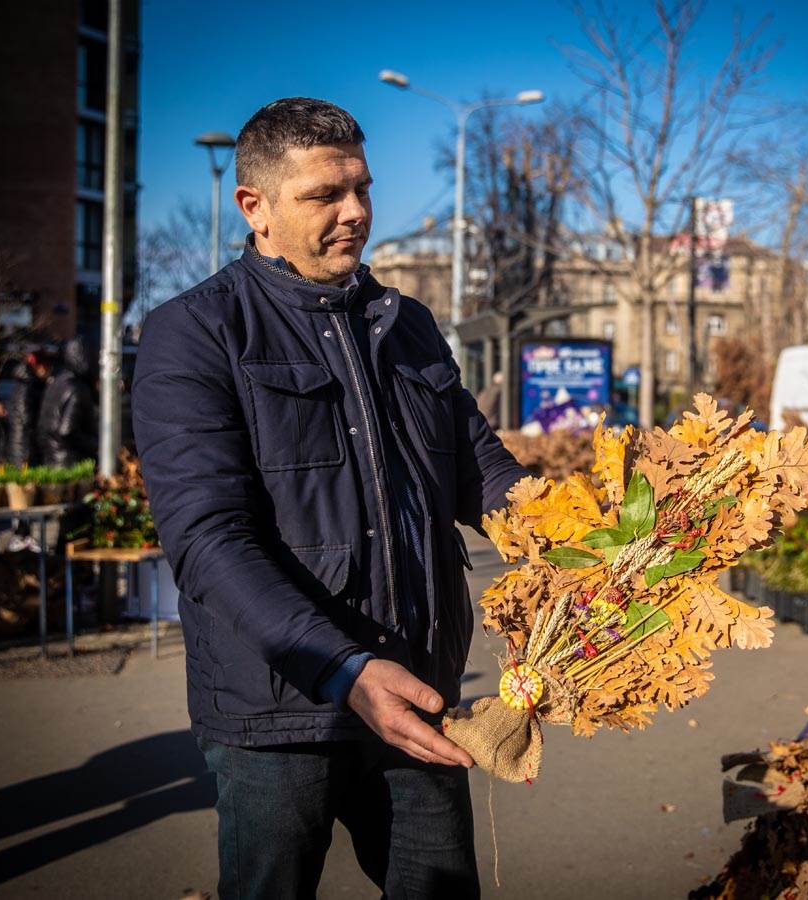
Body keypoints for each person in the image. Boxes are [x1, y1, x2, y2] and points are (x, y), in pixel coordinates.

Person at [132, 98, 528, 899]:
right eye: (324, 195)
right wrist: (343, 667)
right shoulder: (196, 332)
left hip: (415, 690)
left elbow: (481, 472)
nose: (356, 213)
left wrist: (585, 539)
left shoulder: (408, 325)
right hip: (278, 711)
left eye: (362, 189)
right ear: (255, 207)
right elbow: (208, 538)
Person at [37, 337, 97, 466]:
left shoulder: (56, 383)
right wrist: (97, 445)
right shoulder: (78, 389)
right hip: (69, 461)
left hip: (50, 458)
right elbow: (67, 431)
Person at [7, 352, 51, 466]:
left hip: (23, 446)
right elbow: (27, 418)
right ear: (40, 367)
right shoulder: (27, 387)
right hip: (26, 449)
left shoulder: (24, 384)